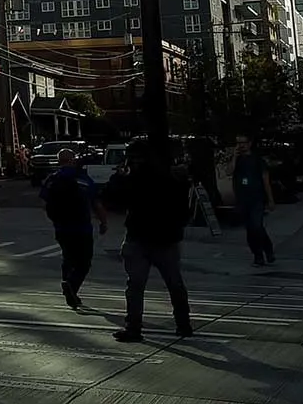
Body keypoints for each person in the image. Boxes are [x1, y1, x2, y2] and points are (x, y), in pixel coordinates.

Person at [102, 135, 195, 341]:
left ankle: (134, 328)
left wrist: (119, 177)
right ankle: (183, 324)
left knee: (136, 286)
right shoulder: (172, 177)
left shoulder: (135, 178)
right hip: (164, 237)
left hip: (141, 236)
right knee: (174, 283)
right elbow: (184, 209)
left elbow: (112, 201)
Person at [38, 146, 107, 310]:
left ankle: (69, 288)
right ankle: (71, 285)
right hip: (82, 227)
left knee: (68, 258)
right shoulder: (82, 178)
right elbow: (96, 203)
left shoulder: (52, 179)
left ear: (59, 161)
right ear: (73, 160)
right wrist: (103, 221)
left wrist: (55, 218)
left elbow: (43, 202)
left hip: (62, 227)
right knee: (84, 261)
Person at [230, 133, 277, 265]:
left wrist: (270, 199)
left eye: (243, 143)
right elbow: (229, 172)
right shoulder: (237, 160)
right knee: (250, 229)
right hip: (242, 199)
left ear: (249, 143)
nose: (241, 146)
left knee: (257, 226)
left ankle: (268, 249)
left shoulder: (257, 159)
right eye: (238, 143)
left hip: (257, 198)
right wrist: (234, 156)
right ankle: (258, 255)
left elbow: (265, 179)